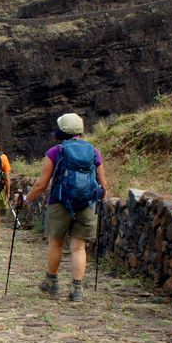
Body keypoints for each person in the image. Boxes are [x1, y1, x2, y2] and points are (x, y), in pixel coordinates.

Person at [20, 112, 108, 303]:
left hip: (59, 203)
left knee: (56, 242)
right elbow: (103, 185)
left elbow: (42, 184)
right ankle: (77, 288)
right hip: (86, 204)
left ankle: (51, 281)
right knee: (78, 247)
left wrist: (27, 199)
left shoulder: (55, 151)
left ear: (61, 131)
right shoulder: (93, 151)